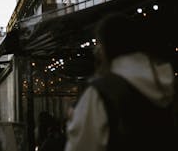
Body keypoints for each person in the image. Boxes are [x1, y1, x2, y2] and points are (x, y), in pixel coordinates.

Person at [65, 12, 176, 151]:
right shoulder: (166, 82)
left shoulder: (102, 92)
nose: (96, 50)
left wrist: (74, 120)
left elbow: (81, 146)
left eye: (99, 43)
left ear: (107, 47)